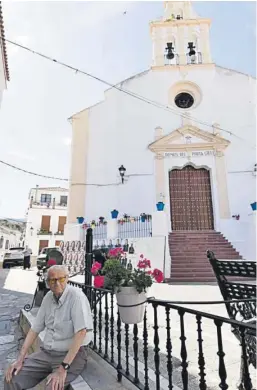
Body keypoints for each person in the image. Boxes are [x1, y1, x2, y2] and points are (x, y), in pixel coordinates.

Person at [4, 265, 93, 390]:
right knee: (12, 377)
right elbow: (35, 329)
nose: (57, 283)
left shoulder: (76, 297)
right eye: (52, 280)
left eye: (61, 279)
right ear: (48, 283)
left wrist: (63, 368)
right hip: (47, 353)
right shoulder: (48, 298)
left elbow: (81, 333)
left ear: (67, 279)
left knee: (52, 387)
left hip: (72, 355)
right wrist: (20, 358)